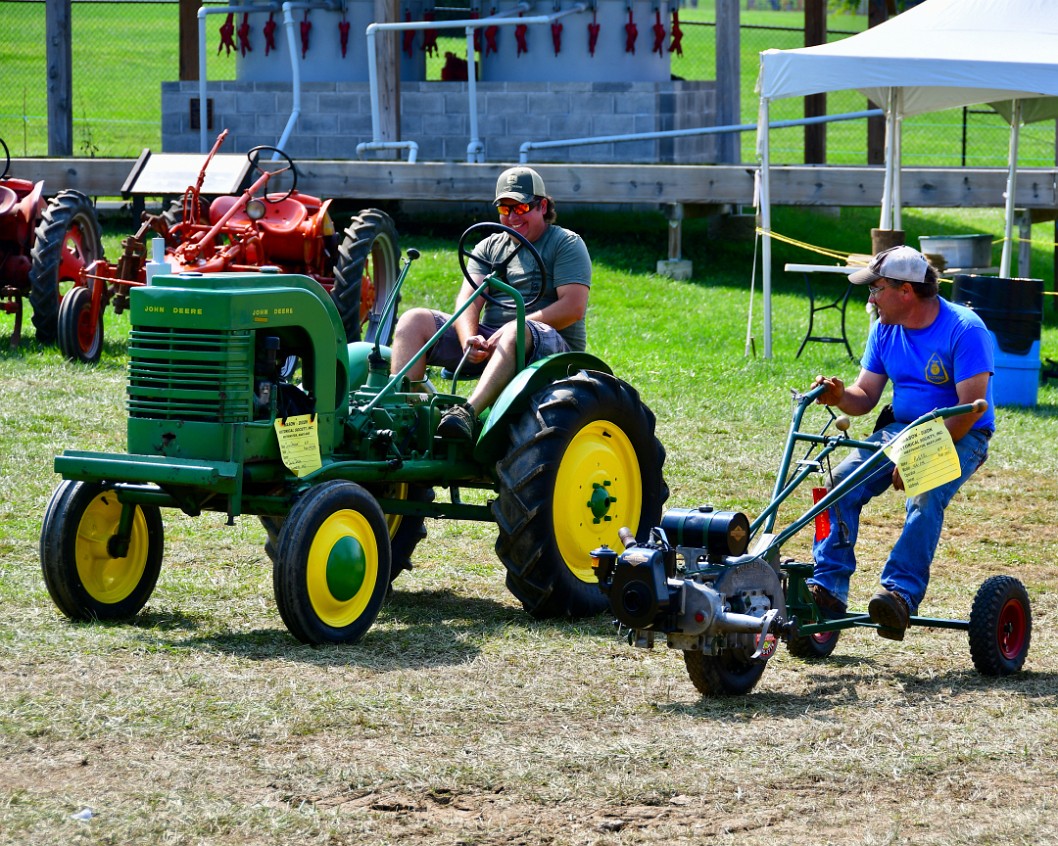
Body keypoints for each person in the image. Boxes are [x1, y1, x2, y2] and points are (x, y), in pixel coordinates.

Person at [807, 244, 995, 640]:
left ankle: (900, 594)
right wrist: (840, 396)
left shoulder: (965, 328)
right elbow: (866, 396)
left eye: (876, 289)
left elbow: (968, 411)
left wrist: (917, 459)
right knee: (837, 485)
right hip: (901, 429)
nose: (870, 298)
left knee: (924, 494)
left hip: (962, 432)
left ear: (905, 291)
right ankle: (828, 588)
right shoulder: (884, 329)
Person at [389, 166, 592, 440]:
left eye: (520, 208)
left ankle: (466, 414)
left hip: (551, 349)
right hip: (495, 340)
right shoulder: (489, 246)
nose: (511, 217)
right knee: (413, 320)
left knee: (513, 329)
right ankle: (406, 419)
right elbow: (468, 300)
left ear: (542, 206)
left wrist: (515, 326)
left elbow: (573, 308)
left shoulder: (565, 243)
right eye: (504, 209)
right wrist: (469, 340)